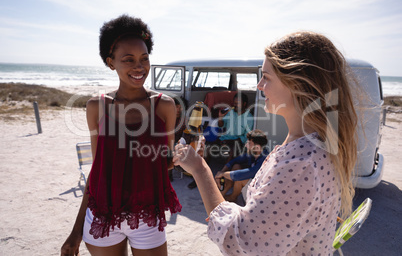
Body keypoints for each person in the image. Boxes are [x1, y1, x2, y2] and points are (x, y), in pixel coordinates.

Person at [173, 31, 360, 255]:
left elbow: (241, 243)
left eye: (266, 77)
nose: (259, 86)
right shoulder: (311, 143)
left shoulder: (302, 164)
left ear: (297, 84)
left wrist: (200, 169)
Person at [61, 15, 182, 256]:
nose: (139, 67)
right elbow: (98, 171)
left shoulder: (165, 106)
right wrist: (75, 231)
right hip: (102, 215)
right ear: (110, 62)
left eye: (144, 59)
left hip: (148, 217)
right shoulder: (97, 106)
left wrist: (185, 159)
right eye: (129, 60)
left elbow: (165, 162)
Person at [214, 129, 268, 202]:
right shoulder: (253, 153)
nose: (246, 145)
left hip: (260, 192)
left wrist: (223, 174)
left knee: (240, 178)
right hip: (252, 185)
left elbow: (250, 172)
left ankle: (232, 197)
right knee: (236, 166)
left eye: (249, 143)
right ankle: (220, 195)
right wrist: (221, 172)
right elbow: (235, 161)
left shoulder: (265, 158)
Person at [216, 93, 254, 161]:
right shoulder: (230, 112)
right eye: (234, 103)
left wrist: (230, 141)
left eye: (238, 103)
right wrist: (220, 117)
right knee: (207, 147)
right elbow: (221, 125)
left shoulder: (249, 117)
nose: (235, 105)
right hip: (225, 139)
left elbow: (246, 137)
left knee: (233, 149)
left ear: (244, 104)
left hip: (238, 142)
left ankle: (224, 170)